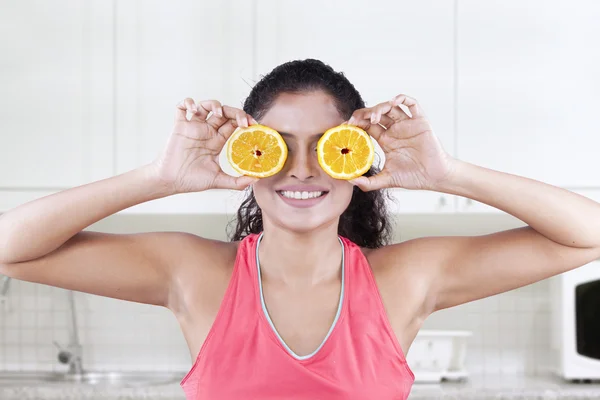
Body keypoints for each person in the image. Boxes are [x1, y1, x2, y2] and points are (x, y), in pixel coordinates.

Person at [1, 59, 599, 399]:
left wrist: (448, 173)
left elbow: (588, 233)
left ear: (357, 156)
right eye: (274, 149)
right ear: (244, 157)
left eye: (329, 148)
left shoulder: (408, 279)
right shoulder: (193, 274)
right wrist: (158, 178)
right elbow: (9, 249)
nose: (303, 168)